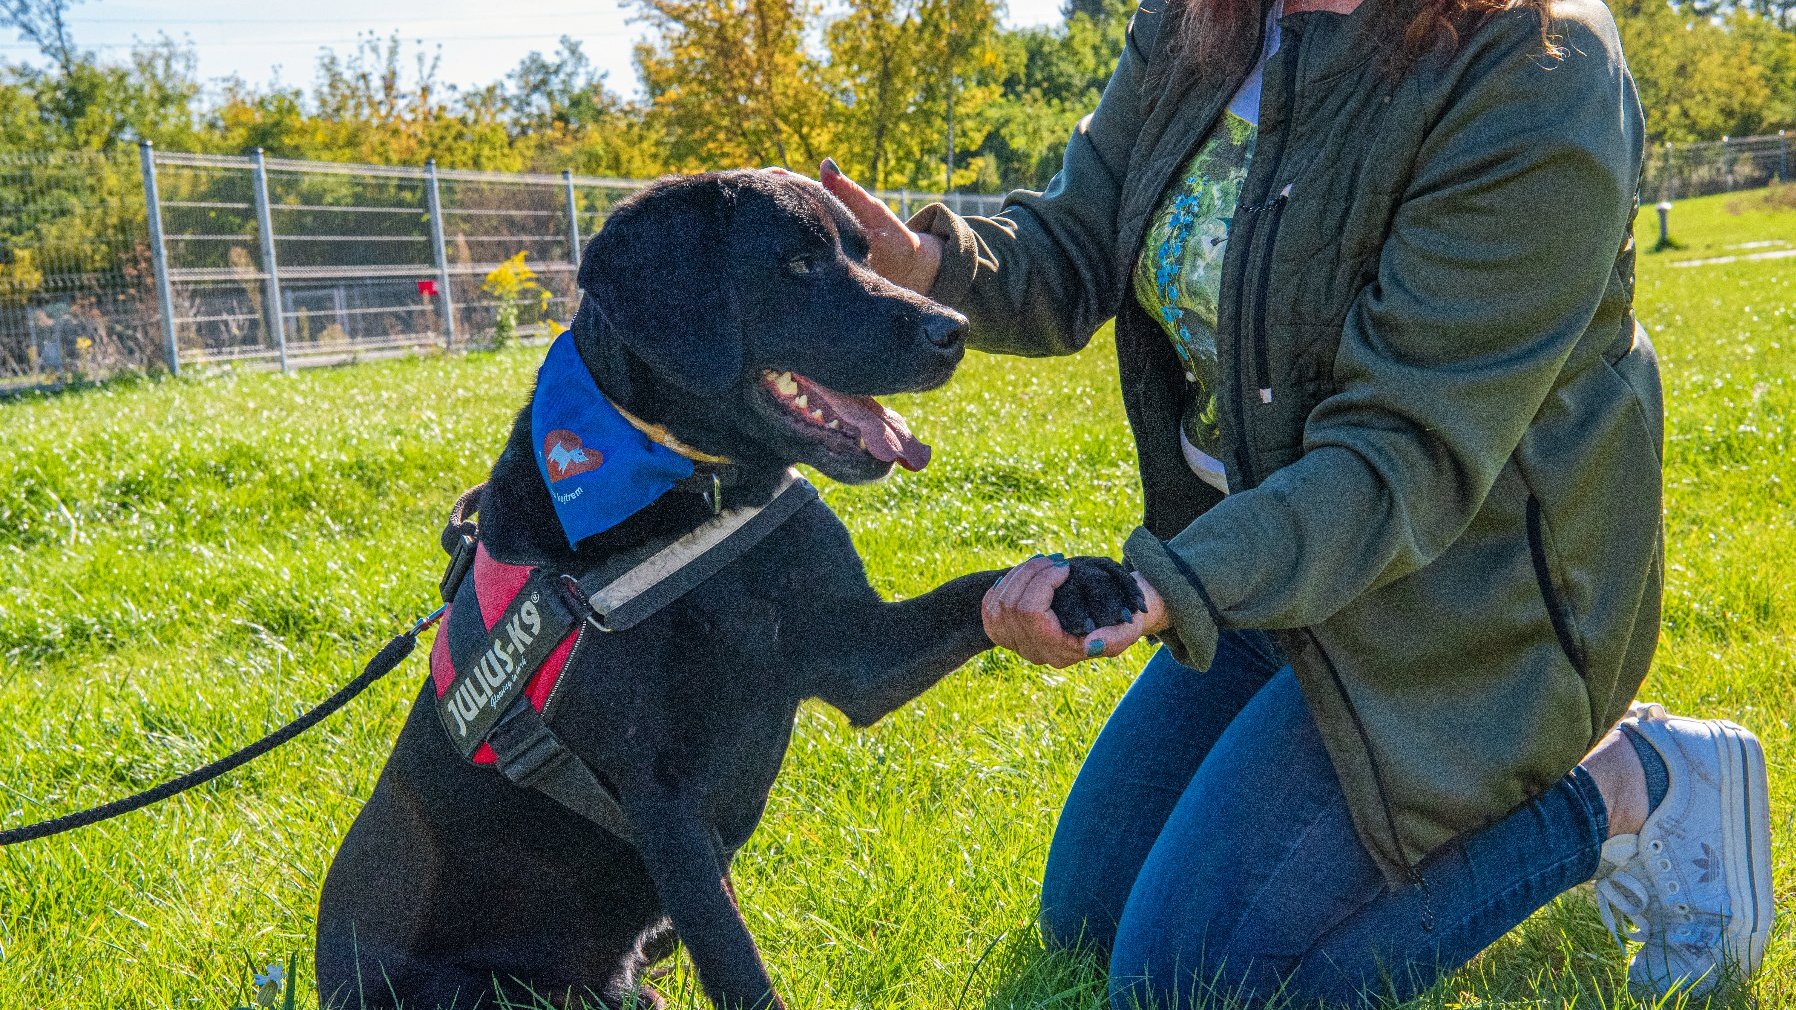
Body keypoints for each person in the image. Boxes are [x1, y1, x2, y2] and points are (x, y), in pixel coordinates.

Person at [816, 0, 1774, 1003]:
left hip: (1466, 601)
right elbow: (1079, 240)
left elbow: (1399, 453)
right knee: (1088, 920)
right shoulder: (1201, 20)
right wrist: (925, 266)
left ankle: (1633, 782)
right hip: (1274, 574)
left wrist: (1165, 585)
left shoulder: (1538, 69)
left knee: (1197, 984)